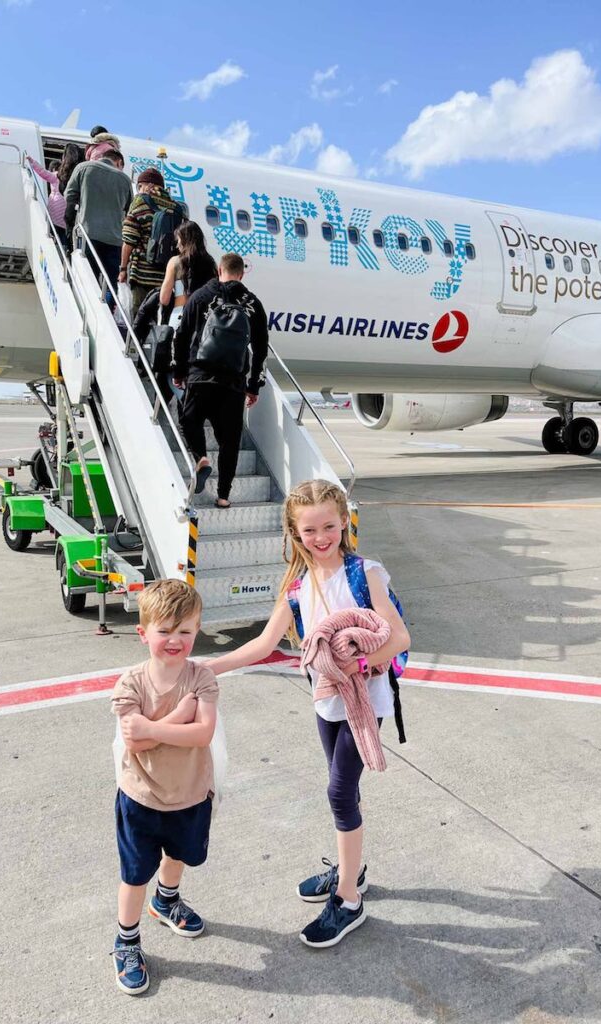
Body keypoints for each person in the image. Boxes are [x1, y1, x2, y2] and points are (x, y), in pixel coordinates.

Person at [206, 479, 410, 948]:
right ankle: (351, 870)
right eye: (309, 530)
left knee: (339, 792)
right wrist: (202, 666)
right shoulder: (298, 587)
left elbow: (400, 637)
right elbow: (262, 644)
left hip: (366, 696)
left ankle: (349, 900)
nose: (321, 538)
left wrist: (359, 662)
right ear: (294, 533)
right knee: (345, 789)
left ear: (344, 523)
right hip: (325, 698)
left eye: (329, 527)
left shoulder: (365, 573)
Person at [110, 579, 219, 996]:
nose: (175, 640)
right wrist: (180, 717)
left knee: (180, 855)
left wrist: (155, 726)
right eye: (164, 630)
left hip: (191, 794)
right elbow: (133, 741)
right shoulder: (131, 684)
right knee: (135, 873)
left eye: (186, 631)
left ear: (197, 630)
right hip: (141, 796)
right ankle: (126, 940)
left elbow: (204, 734)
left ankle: (167, 900)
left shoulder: (202, 677)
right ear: (143, 633)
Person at [172, 252, 268, 508]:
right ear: (242, 273)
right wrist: (253, 386)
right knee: (230, 440)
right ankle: (224, 495)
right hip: (234, 383)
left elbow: (181, 336)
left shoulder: (201, 296)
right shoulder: (253, 304)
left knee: (188, 420)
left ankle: (201, 457)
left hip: (200, 376)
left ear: (218, 270)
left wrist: (179, 371)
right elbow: (260, 349)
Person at [64, 150, 132, 306]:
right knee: (109, 283)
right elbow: (129, 209)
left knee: (88, 279)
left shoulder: (84, 168)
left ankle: (87, 309)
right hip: (114, 240)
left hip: (88, 235)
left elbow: (69, 196)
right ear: (118, 162)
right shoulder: (125, 180)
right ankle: (107, 311)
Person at [120, 169, 183, 320]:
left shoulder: (140, 201)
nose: (139, 191)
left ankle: (136, 341)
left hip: (141, 272)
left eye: (139, 187)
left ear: (146, 185)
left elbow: (129, 240)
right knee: (158, 317)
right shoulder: (176, 208)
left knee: (139, 315)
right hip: (165, 274)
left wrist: (123, 268)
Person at [159, 220, 217, 311]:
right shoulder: (210, 263)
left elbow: (164, 299)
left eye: (179, 240)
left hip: (181, 314)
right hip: (204, 317)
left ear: (186, 240)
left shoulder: (175, 262)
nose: (177, 245)